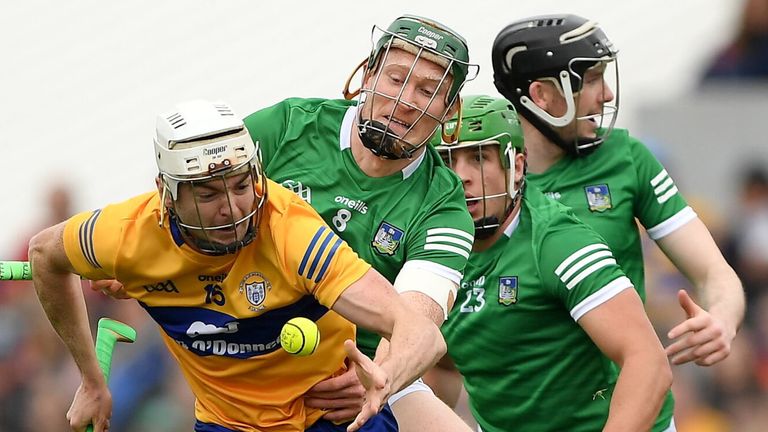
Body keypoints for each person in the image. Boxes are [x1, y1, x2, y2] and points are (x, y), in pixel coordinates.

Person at [28, 99, 447, 432]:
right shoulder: (126, 236)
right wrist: (91, 381)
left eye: (242, 185)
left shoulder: (290, 232)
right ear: (167, 194)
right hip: (227, 425)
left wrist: (384, 377)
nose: (232, 209)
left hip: (333, 421)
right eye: (208, 195)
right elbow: (45, 254)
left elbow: (421, 333)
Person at [491, 13, 745, 430]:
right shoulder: (480, 183)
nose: (606, 94)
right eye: (591, 80)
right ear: (541, 94)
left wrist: (722, 319)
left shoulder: (627, 158)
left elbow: (715, 272)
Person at [242, 14, 478, 432]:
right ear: (367, 76)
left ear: (450, 111)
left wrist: (379, 376)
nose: (405, 100)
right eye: (396, 78)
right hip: (254, 344)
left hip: (365, 365)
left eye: (428, 91)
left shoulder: (444, 205)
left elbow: (416, 318)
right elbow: (193, 200)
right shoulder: (285, 127)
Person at [425, 94, 672, 431]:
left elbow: (649, 363)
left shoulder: (557, 242)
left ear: (516, 168)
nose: (461, 177)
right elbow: (442, 368)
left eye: (479, 157)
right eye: (446, 160)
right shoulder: (433, 250)